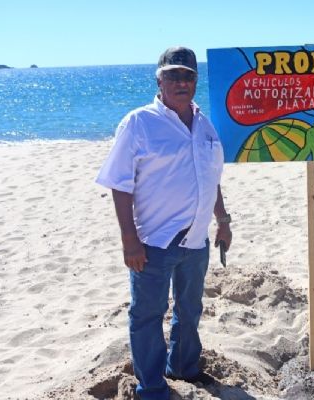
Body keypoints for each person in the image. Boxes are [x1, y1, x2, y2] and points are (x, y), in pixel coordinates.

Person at [96, 46, 232, 400]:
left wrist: (223, 219)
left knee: (190, 310)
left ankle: (184, 367)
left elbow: (210, 177)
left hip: (197, 241)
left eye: (188, 75)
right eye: (173, 75)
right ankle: (152, 387)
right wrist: (130, 240)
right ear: (159, 79)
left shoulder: (204, 122)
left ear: (196, 81)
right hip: (154, 242)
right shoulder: (139, 122)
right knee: (147, 315)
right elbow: (119, 183)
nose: (181, 82)